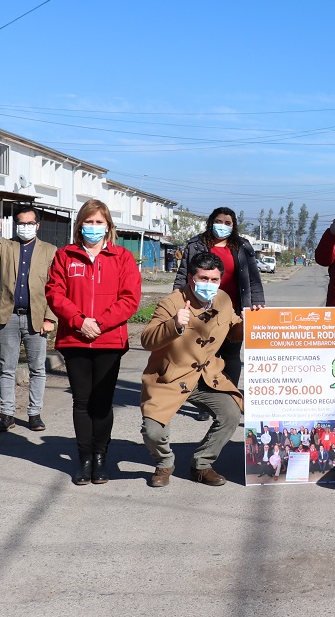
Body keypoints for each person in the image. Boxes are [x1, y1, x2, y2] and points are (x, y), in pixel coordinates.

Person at [46, 199, 142, 486]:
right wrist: (79, 321)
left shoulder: (122, 257)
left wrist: (100, 323)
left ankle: (100, 458)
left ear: (108, 226)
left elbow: (130, 298)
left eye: (99, 222)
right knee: (81, 401)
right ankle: (84, 459)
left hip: (109, 339)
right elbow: (54, 293)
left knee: (101, 403)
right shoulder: (65, 256)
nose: (93, 227)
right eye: (88, 222)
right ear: (79, 226)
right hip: (74, 339)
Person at [139, 252, 244, 488]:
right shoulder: (172, 302)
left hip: (207, 377)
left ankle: (202, 464)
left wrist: (248, 323)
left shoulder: (224, 300)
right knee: (153, 432)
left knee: (231, 414)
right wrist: (174, 324)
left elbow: (234, 331)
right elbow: (147, 340)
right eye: (203, 278)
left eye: (214, 280)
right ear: (191, 277)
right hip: (170, 377)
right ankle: (164, 463)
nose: (209, 284)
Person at [0, 206, 58, 433]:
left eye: (28, 223)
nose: (24, 227)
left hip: (37, 318)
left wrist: (50, 318)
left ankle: (35, 414)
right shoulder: (5, 245)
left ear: (37, 225)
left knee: (37, 369)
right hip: (8, 316)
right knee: (7, 368)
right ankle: (7, 414)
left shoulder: (50, 251)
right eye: (20, 223)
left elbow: (56, 287)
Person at [173, 207, 265, 388]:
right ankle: (206, 401)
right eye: (219, 222)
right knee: (205, 355)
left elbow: (253, 278)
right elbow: (183, 276)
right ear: (211, 222)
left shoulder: (242, 247)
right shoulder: (195, 245)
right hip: (202, 310)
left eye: (227, 223)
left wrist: (258, 303)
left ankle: (230, 396)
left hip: (234, 311)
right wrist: (176, 301)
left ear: (233, 226)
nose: (222, 226)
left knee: (231, 356)